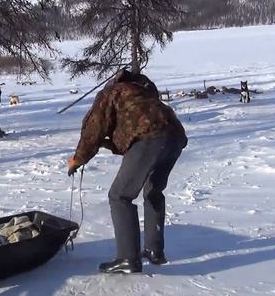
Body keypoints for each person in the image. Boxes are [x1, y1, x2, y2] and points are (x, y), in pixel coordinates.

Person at [67, 69, 187, 274]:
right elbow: (130, 133)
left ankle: (127, 258)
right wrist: (107, 144)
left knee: (119, 196)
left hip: (150, 139)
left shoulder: (112, 92)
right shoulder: (143, 94)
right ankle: (154, 250)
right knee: (153, 192)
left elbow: (93, 129)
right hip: (175, 137)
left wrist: (78, 159)